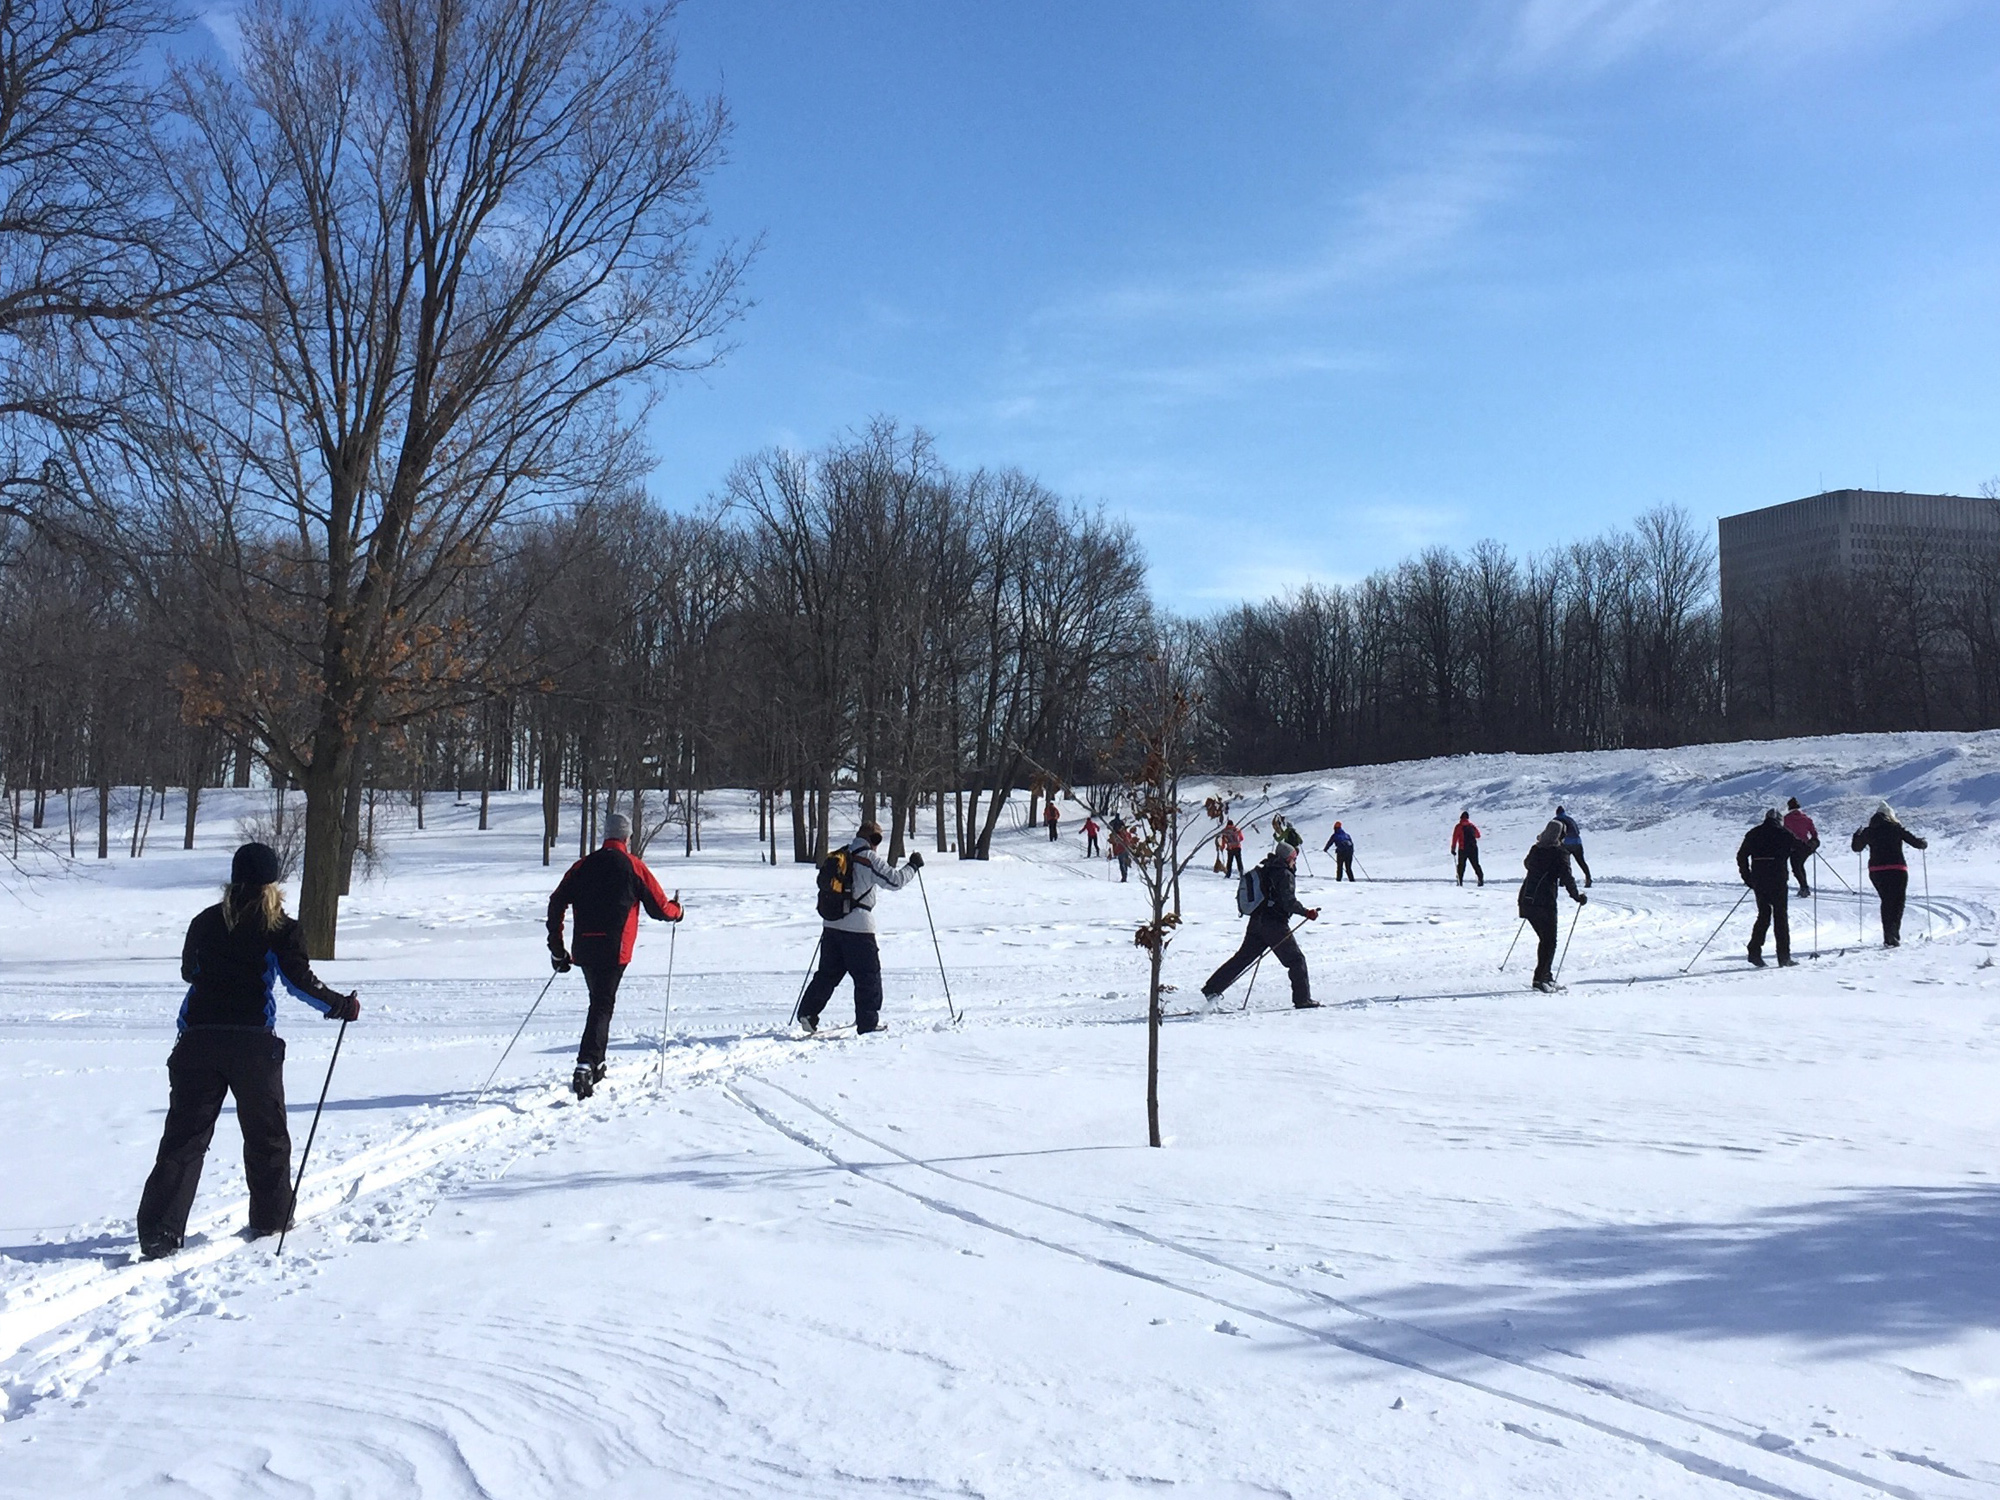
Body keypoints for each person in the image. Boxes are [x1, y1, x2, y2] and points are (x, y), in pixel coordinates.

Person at [135, 842, 360, 1261]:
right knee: (266, 1135)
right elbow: (298, 983)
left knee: (184, 1139)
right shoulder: (281, 928)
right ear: (271, 884)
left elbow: (190, 972)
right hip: (253, 1045)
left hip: (198, 1042)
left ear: (233, 880)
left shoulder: (204, 922)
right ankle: (272, 1218)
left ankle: (159, 1233)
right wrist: (340, 1006)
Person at [547, 811, 683, 1098]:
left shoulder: (583, 865)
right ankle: (586, 1064)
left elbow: (557, 900)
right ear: (627, 837)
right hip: (615, 949)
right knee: (602, 1005)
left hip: (584, 948)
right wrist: (678, 911)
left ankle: (596, 1063)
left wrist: (557, 947)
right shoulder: (633, 866)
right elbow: (659, 907)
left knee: (599, 1002)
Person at [797, 820, 919, 1034]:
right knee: (868, 975)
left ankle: (808, 1013)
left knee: (827, 974)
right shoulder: (868, 858)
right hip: (859, 927)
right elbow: (895, 881)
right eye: (878, 839)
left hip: (832, 924)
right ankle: (868, 1023)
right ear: (874, 839)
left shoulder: (840, 855)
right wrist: (913, 866)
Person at [1201, 842, 1321, 1009]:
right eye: (1294, 858)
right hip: (1275, 924)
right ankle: (1302, 1000)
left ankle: (1212, 988)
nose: (1295, 862)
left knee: (1243, 958)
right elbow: (1288, 902)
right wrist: (1306, 912)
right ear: (1288, 858)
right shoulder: (1284, 873)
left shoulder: (1265, 869)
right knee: (1296, 959)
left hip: (1256, 922)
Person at [1518, 820, 1586, 992]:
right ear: (1561, 835)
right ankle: (1540, 979)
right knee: (1549, 941)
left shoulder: (1536, 849)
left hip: (1527, 898)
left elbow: (1527, 864)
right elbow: (1567, 877)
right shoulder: (1559, 853)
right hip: (1544, 901)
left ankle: (1546, 976)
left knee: (1545, 940)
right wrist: (1577, 896)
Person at [1737, 808, 1808, 967]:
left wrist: (1747, 877)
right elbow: (1803, 848)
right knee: (1780, 917)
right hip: (1778, 878)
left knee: (1764, 915)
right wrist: (1812, 843)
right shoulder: (1784, 833)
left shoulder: (1753, 833)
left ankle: (1754, 951)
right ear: (1779, 820)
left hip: (1759, 879)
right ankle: (1783, 957)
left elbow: (1741, 855)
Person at [1851, 802, 1928, 947]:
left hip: (1876, 871)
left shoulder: (1869, 831)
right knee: (1898, 902)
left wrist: (1856, 835)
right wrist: (1923, 843)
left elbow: (1857, 848)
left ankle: (1888, 935)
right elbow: (1916, 843)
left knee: (1886, 901)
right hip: (1897, 869)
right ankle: (1893, 934)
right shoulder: (1896, 828)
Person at [1782, 797, 1819, 898]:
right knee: (1800, 866)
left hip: (1793, 847)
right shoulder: (1807, 819)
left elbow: (1785, 833)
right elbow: (1814, 834)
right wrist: (1813, 844)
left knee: (1796, 868)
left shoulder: (1787, 818)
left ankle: (1804, 887)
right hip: (1805, 846)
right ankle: (1804, 887)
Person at [1553, 805, 1592, 887]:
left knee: (1565, 863)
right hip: (1578, 842)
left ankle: (1564, 881)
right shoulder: (1570, 819)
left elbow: (1555, 833)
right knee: (1581, 862)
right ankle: (1588, 878)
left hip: (1566, 843)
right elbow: (1577, 831)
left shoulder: (1556, 820)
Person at [1450, 811, 1484, 887]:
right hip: (1473, 848)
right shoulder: (1472, 826)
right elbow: (1478, 835)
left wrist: (1453, 848)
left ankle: (1460, 881)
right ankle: (1480, 879)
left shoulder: (1458, 826)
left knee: (1461, 866)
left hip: (1463, 848)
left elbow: (1455, 838)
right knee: (1476, 864)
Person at [1109, 815, 1132, 883]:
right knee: (1125, 862)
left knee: (1122, 863)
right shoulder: (1126, 831)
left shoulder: (1116, 832)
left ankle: (1124, 876)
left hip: (1120, 849)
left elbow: (1110, 825)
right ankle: (1125, 876)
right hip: (1126, 849)